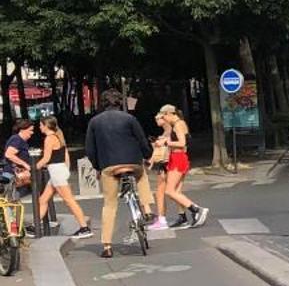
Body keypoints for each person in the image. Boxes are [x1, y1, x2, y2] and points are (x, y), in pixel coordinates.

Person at [82, 90, 162, 259]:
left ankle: (107, 245)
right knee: (141, 176)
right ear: (120, 102)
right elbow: (142, 141)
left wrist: (98, 166)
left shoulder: (94, 122)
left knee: (109, 204)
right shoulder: (129, 119)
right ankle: (147, 209)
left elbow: (90, 149)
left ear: (102, 103)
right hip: (132, 162)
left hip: (109, 166)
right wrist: (147, 156)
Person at [34, 115, 93, 238]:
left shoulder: (49, 138)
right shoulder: (59, 136)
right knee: (43, 199)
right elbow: (65, 155)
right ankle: (36, 226)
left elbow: (46, 158)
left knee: (69, 201)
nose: (39, 127)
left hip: (56, 171)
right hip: (59, 170)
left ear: (46, 125)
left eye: (40, 125)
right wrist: (66, 170)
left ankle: (84, 227)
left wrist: (33, 168)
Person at [153, 105, 209, 229]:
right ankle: (183, 217)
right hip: (179, 158)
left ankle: (196, 209)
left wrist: (166, 143)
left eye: (164, 116)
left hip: (178, 158)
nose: (164, 119)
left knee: (169, 191)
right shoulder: (178, 124)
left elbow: (182, 143)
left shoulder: (178, 124)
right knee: (177, 191)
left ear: (169, 113)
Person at [3, 118, 40, 230]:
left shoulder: (20, 141)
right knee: (12, 203)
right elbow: (9, 154)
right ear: (23, 130)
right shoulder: (17, 139)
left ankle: (16, 227)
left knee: (14, 202)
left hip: (13, 175)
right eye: (30, 130)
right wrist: (26, 165)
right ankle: (13, 229)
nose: (32, 133)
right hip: (12, 175)